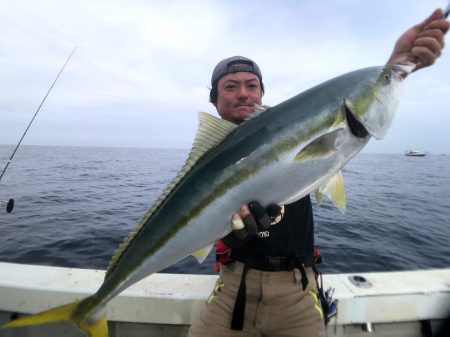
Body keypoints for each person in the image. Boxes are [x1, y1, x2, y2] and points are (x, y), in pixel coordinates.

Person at [188, 8, 449, 337]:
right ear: (214, 100)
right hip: (232, 291)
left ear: (262, 94)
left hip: (297, 291)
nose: (243, 92)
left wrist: (400, 64)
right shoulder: (203, 165)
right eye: (230, 86)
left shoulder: (289, 126)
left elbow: (363, 97)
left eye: (251, 85)